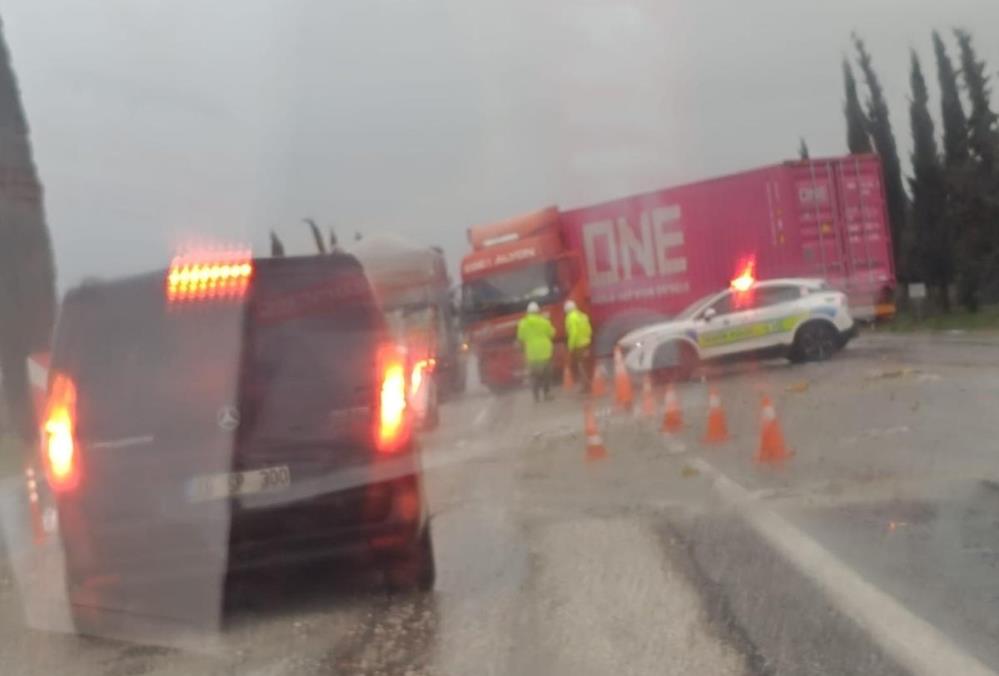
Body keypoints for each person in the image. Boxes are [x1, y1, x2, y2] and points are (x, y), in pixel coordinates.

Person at [516, 301, 555, 402]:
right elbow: (552, 333)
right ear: (538, 311)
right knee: (546, 375)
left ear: (528, 312)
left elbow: (521, 338)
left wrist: (522, 350)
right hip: (545, 352)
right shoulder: (544, 321)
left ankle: (536, 396)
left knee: (534, 375)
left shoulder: (523, 323)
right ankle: (546, 394)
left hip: (532, 353)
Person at [564, 300, 593, 390]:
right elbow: (589, 330)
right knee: (586, 364)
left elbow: (573, 333)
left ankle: (586, 386)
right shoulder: (582, 316)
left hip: (578, 345)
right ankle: (590, 382)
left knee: (581, 365)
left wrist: (570, 346)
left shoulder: (571, 318)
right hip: (586, 343)